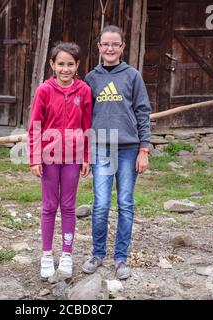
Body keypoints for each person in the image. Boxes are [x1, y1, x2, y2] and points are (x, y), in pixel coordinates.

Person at [82, 25, 152, 280]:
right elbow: (84, 118)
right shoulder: (91, 79)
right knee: (100, 204)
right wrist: (85, 153)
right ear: (99, 47)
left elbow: (143, 113)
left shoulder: (132, 76)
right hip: (101, 147)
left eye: (115, 44)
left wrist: (143, 149)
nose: (110, 48)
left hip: (128, 149)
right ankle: (97, 253)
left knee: (125, 203)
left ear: (122, 47)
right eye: (105, 44)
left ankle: (121, 258)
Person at [28, 42, 93, 279]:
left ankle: (66, 253)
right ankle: (46, 254)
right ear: (52, 65)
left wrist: (86, 156)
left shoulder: (84, 90)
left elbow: (87, 126)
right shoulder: (44, 90)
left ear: (77, 65)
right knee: (48, 207)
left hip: (73, 158)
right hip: (48, 157)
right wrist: (35, 158)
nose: (65, 69)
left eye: (70, 64)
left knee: (68, 207)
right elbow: (35, 126)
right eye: (61, 64)